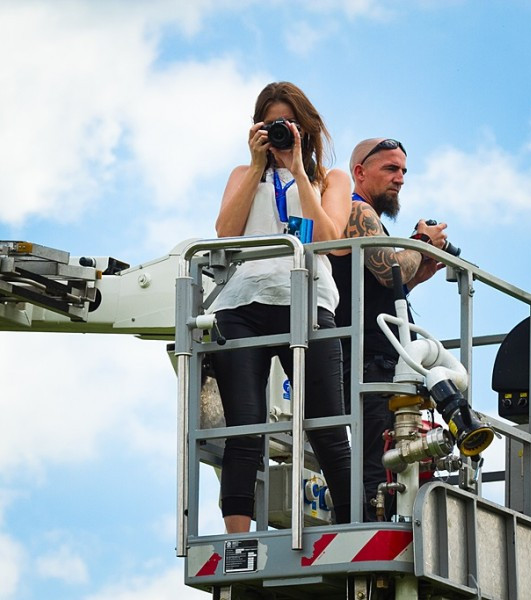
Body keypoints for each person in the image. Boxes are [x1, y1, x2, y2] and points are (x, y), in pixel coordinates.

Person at [210, 82, 352, 533]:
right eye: (269, 123)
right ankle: (238, 541)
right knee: (244, 428)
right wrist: (257, 166)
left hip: (308, 303)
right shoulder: (242, 173)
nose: (278, 132)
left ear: (305, 128)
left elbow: (331, 241)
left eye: (286, 123)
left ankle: (349, 530)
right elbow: (226, 234)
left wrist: (299, 172)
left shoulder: (332, 179)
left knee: (328, 427)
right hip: (243, 304)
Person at [329, 137, 449, 521]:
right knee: (375, 463)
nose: (399, 179)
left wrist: (419, 274)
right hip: (367, 361)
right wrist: (419, 242)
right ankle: (364, 532)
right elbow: (387, 271)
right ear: (360, 172)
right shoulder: (355, 211)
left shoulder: (370, 220)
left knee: (388, 461)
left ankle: (374, 526)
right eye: (390, 169)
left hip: (381, 359)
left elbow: (383, 286)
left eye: (403, 171)